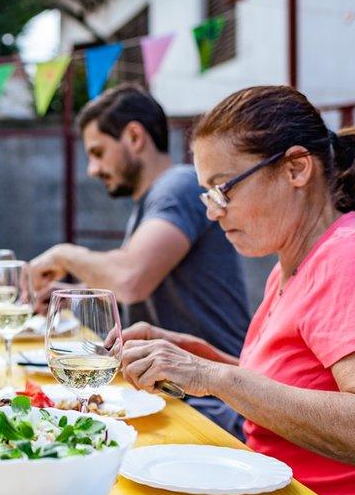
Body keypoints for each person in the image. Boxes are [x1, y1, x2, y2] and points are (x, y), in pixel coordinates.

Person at [119, 85, 355, 495]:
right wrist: (205, 362)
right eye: (207, 194)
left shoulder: (353, 259)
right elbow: (296, 390)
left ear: (296, 168)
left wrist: (215, 378)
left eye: (222, 189)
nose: (212, 213)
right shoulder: (291, 263)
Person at [29, 84, 250, 437]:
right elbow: (139, 280)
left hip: (214, 407)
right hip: (175, 395)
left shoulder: (177, 186)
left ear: (134, 136)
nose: (91, 168)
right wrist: (76, 294)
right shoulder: (155, 198)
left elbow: (132, 277)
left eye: (98, 152)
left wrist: (63, 254)